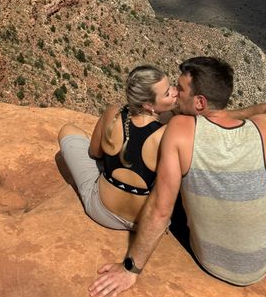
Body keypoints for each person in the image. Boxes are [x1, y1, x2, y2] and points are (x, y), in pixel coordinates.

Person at [88, 56, 266, 297]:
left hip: (207, 259)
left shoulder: (180, 129)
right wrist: (230, 113)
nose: (175, 93)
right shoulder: (262, 128)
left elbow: (160, 210)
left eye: (180, 89)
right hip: (264, 261)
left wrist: (130, 269)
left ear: (199, 102)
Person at [57, 65, 178, 231]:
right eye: (167, 93)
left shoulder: (114, 113)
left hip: (102, 212)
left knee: (68, 130)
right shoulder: (168, 134)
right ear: (149, 106)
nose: (175, 91)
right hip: (144, 224)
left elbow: (94, 152)